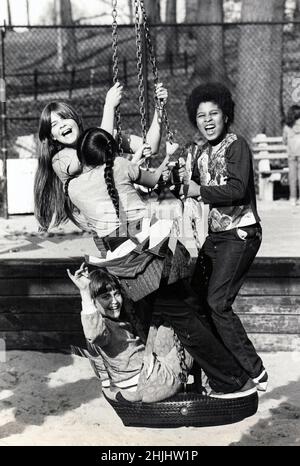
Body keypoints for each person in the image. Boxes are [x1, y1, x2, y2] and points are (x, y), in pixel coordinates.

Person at [173, 82, 268, 394]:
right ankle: (219, 372)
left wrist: (199, 191)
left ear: (226, 115)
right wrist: (171, 175)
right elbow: (188, 184)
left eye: (214, 113)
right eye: (201, 115)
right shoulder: (201, 151)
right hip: (216, 236)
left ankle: (255, 370)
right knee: (197, 301)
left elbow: (237, 189)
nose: (208, 120)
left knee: (218, 302)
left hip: (240, 233)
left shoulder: (236, 145)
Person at [34, 82, 168, 231]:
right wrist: (109, 106)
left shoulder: (101, 135)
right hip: (107, 226)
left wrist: (159, 109)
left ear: (77, 120)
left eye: (65, 118)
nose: (62, 125)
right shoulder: (59, 159)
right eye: (54, 124)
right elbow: (94, 152)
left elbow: (151, 145)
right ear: (52, 136)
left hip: (128, 217)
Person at [67, 263, 193, 403]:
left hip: (138, 383)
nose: (114, 301)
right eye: (105, 297)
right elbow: (95, 333)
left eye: (116, 294)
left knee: (164, 327)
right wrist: (85, 292)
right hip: (154, 382)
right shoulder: (101, 331)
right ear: (93, 302)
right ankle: (208, 387)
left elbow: (100, 366)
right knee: (192, 331)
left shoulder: (103, 329)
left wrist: (112, 392)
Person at [283, 104, 300, 206]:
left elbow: (284, 141)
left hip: (291, 155)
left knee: (292, 177)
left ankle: (293, 198)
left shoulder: (287, 127)